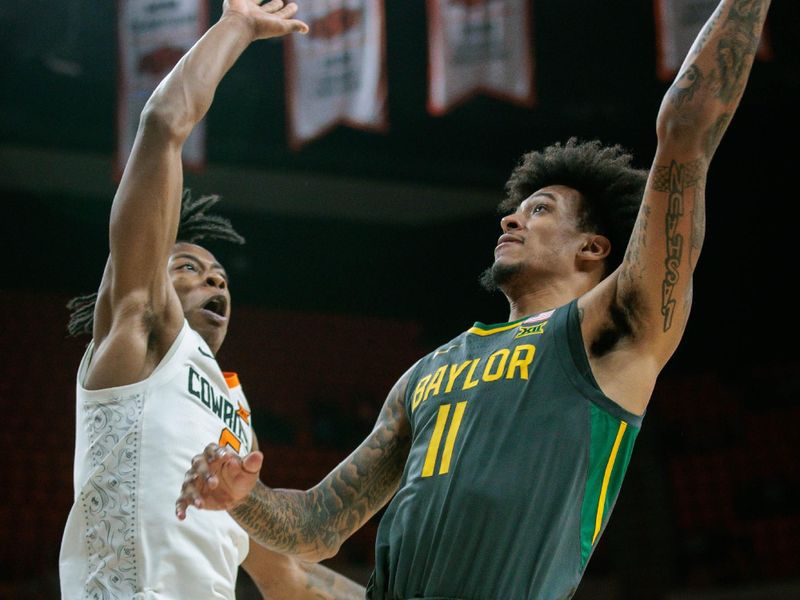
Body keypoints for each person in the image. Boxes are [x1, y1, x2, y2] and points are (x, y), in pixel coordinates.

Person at [176, 1, 772, 598]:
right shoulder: (427, 372)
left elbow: (687, 132)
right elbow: (316, 525)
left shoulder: (614, 328)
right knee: (280, 569)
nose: (511, 217)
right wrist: (243, 498)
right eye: (515, 208)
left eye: (538, 210)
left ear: (592, 248)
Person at [58, 1, 366, 598]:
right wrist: (238, 27)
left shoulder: (235, 425)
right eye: (190, 267)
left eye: (221, 274)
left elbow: (286, 578)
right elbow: (162, 126)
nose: (216, 281)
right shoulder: (137, 337)